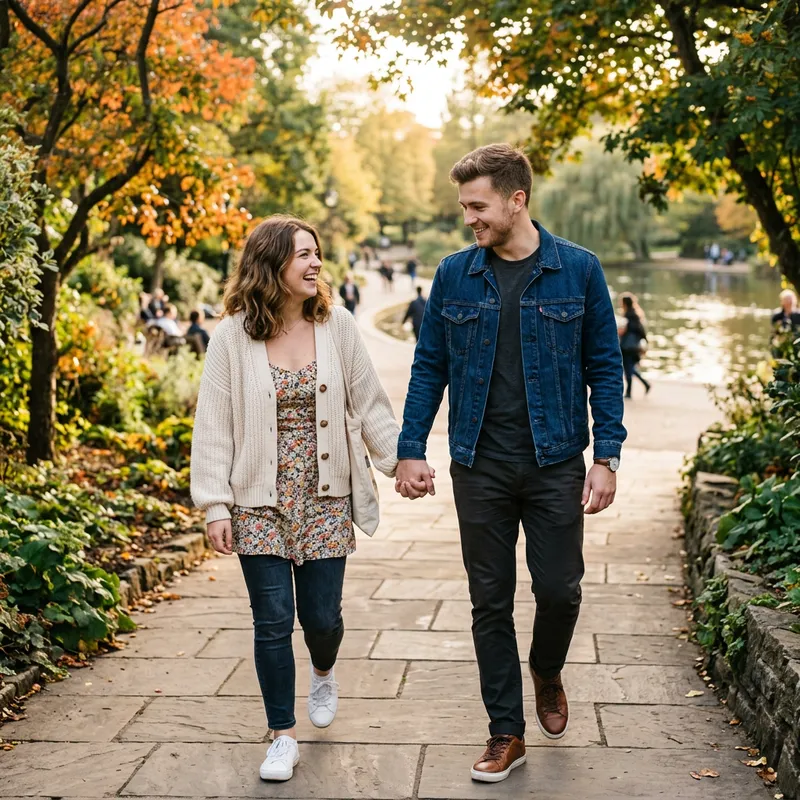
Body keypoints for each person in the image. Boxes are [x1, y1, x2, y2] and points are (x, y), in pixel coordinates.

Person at [394, 144, 626, 783]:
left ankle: (546, 668)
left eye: (478, 205)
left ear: (516, 200)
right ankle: (505, 732)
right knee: (488, 599)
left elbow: (606, 368)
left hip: (556, 461)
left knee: (559, 590)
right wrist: (411, 447)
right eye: (464, 206)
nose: (469, 218)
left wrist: (606, 456)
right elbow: (429, 367)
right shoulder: (454, 275)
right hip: (479, 464)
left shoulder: (578, 270)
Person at [190, 215, 400, 783]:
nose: (315, 265)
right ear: (270, 265)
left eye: (317, 254)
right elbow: (213, 425)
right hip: (256, 500)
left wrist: (400, 461)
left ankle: (325, 669)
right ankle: (282, 734)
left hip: (326, 496)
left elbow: (371, 402)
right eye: (302, 255)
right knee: (272, 621)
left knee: (321, 618)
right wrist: (215, 504)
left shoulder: (339, 325)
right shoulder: (232, 336)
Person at [618, 293, 651, 399]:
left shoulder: (628, 316)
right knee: (630, 368)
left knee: (628, 369)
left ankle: (629, 392)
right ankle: (645, 384)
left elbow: (622, 331)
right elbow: (642, 332)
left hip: (627, 346)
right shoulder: (636, 316)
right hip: (634, 347)